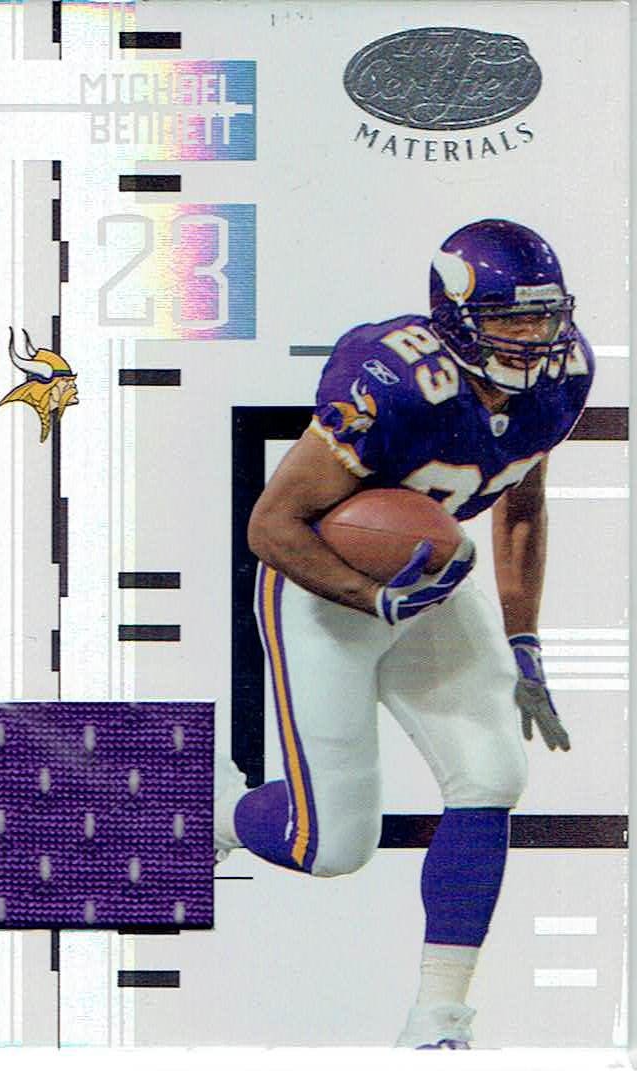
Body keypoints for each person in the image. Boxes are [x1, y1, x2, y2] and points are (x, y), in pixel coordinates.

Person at [214, 219, 594, 1048]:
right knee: (329, 845)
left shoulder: (563, 374)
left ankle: (436, 1021)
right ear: (455, 316)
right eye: (509, 317)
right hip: (322, 588)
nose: (532, 336)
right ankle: (217, 810)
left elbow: (522, 505)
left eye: (543, 315)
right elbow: (271, 524)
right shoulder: (393, 380)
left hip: (431, 577)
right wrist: (373, 598)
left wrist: (525, 641)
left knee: (493, 772)